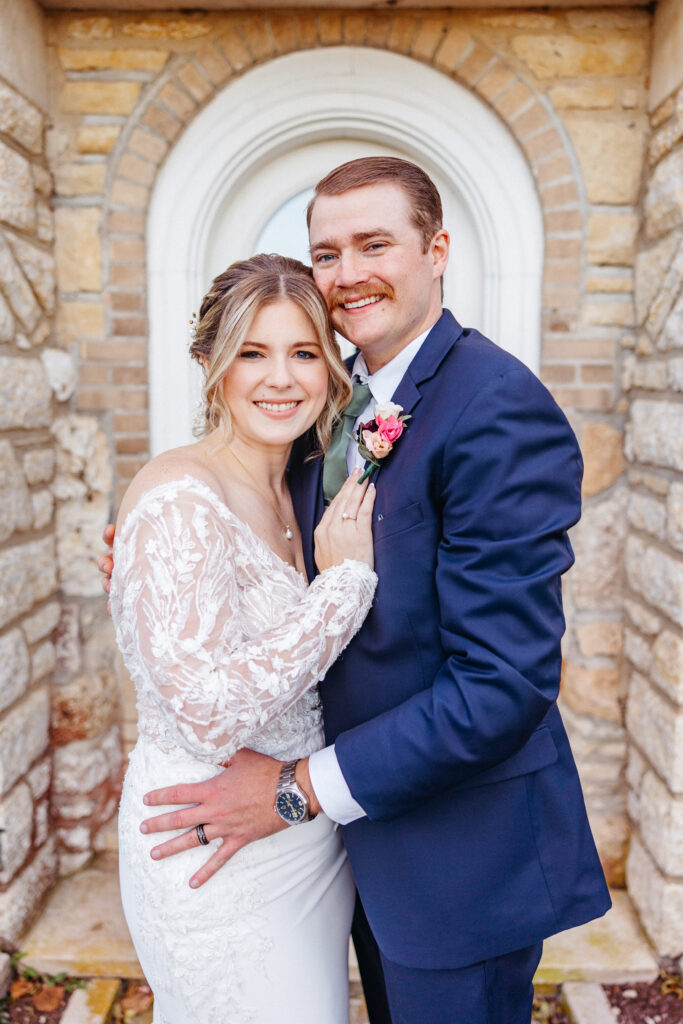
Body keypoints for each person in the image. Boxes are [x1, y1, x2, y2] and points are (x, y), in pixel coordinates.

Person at [102, 157, 611, 1024]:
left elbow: (504, 684)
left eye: (374, 243)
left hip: (453, 858)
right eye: (326, 252)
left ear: (438, 248)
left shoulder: (496, 410)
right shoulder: (329, 401)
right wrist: (157, 555)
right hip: (340, 852)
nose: (346, 274)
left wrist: (300, 788)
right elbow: (251, 547)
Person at [108, 253, 379, 1024]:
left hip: (300, 833)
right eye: (252, 353)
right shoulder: (178, 499)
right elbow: (206, 711)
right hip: (208, 839)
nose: (280, 379)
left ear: (330, 368)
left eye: (302, 353)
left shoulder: (302, 482)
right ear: (209, 363)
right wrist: (345, 588)